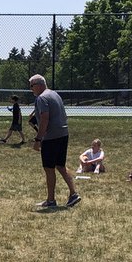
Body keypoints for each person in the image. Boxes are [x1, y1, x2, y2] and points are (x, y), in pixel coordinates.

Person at [29, 74, 80, 210]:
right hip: (63, 134)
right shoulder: (54, 94)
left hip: (51, 137)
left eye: (31, 86)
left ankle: (51, 200)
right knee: (61, 166)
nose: (31, 89)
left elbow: (45, 119)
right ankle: (73, 194)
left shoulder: (41, 98)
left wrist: (38, 139)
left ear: (39, 85)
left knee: (49, 168)